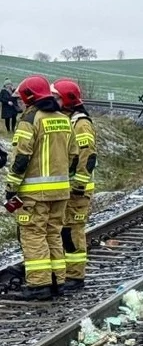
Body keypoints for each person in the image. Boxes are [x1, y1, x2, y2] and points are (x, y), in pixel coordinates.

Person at [5, 75, 77, 300]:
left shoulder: (30, 119)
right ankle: (58, 281)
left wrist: (11, 187)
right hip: (61, 191)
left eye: (21, 97)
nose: (20, 102)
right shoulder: (63, 119)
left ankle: (38, 286)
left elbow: (21, 158)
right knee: (53, 234)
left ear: (28, 97)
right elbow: (74, 156)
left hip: (34, 194)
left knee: (34, 236)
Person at [52, 79, 96, 291]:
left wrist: (79, 184)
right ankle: (66, 273)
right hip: (66, 188)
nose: (54, 101)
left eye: (57, 97)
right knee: (64, 230)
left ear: (67, 99)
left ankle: (75, 276)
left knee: (73, 232)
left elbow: (88, 155)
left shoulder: (81, 123)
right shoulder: (66, 120)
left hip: (78, 190)